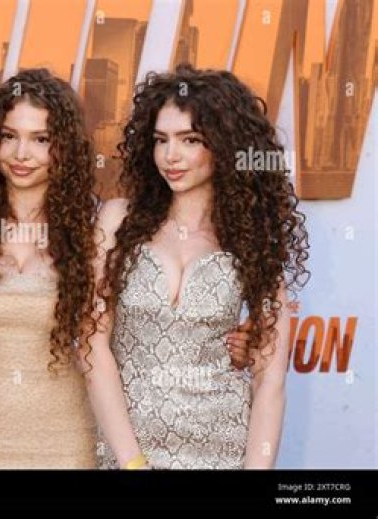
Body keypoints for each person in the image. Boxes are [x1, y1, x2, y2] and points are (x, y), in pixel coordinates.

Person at [0, 69, 252, 468]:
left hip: (67, 440)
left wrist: (235, 341)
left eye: (41, 139)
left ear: (64, 148)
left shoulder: (93, 231)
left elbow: (125, 330)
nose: (21, 154)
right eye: (8, 136)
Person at [88, 64, 310, 469]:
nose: (170, 156)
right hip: (127, 451)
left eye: (190, 140)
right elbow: (92, 346)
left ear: (224, 145)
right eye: (161, 140)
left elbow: (270, 379)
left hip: (221, 449)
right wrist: (131, 462)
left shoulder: (252, 239)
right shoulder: (118, 221)